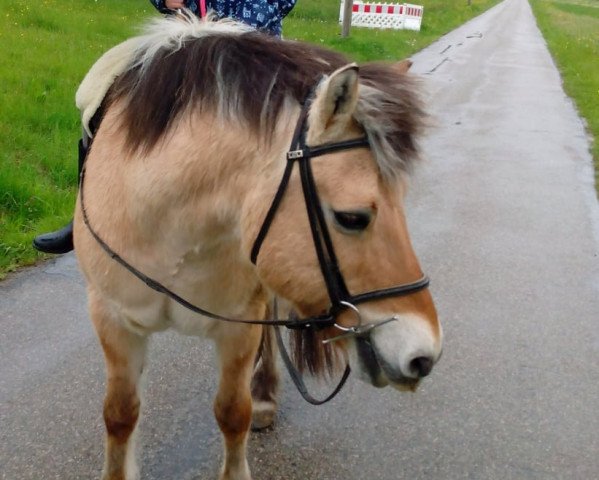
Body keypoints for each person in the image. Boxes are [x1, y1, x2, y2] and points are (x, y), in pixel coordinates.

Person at [33, 0, 297, 254]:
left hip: (254, 52)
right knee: (97, 88)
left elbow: (276, 6)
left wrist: (223, 30)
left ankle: (289, 228)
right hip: (182, 43)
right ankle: (87, 213)